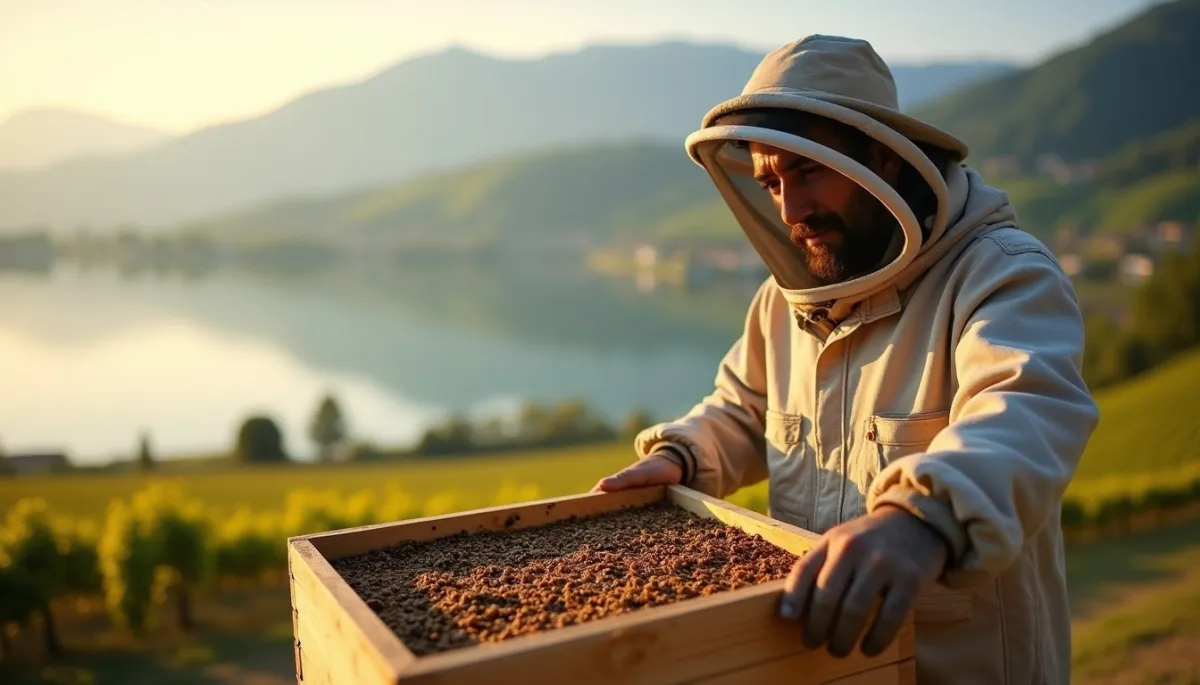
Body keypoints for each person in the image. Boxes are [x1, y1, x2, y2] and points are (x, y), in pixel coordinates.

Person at [592, 35, 1099, 685]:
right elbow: (744, 411)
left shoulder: (1002, 276)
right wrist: (681, 456)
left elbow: (1026, 408)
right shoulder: (784, 302)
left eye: (806, 171)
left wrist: (919, 520)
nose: (790, 208)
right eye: (771, 182)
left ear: (882, 160)